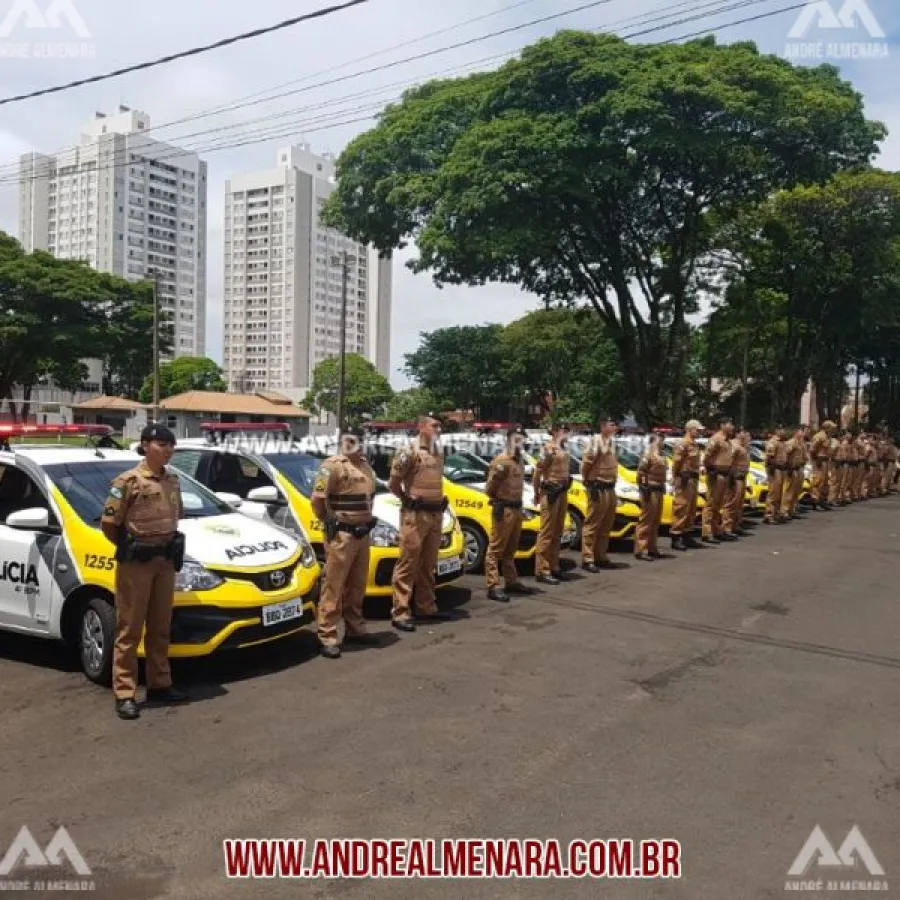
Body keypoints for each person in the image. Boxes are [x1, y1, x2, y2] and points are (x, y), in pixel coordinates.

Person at [100, 424, 187, 721]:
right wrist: (132, 548)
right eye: (162, 443)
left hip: (165, 561)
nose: (168, 449)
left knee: (161, 627)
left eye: (171, 444)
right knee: (129, 630)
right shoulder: (128, 481)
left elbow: (178, 516)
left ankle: (160, 684)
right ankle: (125, 692)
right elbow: (110, 524)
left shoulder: (173, 480)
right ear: (146, 445)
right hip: (136, 563)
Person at [311, 426, 380, 659]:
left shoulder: (365, 465)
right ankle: (327, 634)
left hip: (362, 535)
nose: (357, 443)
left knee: (357, 584)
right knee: (334, 584)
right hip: (342, 535)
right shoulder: (330, 466)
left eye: (360, 439)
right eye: (352, 440)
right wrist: (330, 524)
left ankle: (355, 628)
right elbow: (318, 501)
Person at [388, 413, 454, 632]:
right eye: (435, 425)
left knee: (428, 563)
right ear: (422, 427)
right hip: (415, 516)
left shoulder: (438, 451)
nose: (439, 429)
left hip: (435, 514)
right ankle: (401, 611)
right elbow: (394, 484)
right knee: (408, 562)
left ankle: (426, 606)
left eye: (440, 426)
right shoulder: (409, 451)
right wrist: (407, 500)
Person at [484, 425, 536, 602]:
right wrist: (501, 500)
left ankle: (511, 581)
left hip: (516, 508)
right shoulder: (502, 461)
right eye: (517, 439)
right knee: (496, 548)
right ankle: (493, 585)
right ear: (509, 440)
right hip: (504, 509)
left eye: (522, 439)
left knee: (511, 548)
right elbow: (490, 489)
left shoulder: (520, 460)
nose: (520, 442)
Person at [580, 418, 627, 571]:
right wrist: (588, 482)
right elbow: (586, 464)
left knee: (606, 524)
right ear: (603, 427)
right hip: (598, 486)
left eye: (615, 424)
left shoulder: (612, 443)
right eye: (612, 424)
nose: (615, 426)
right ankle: (588, 558)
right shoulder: (596, 441)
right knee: (592, 524)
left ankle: (601, 555)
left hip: (610, 487)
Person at [532, 422, 572, 585]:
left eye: (568, 431)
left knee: (558, 532)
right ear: (555, 432)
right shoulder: (548, 449)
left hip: (562, 492)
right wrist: (536, 493)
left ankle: (554, 566)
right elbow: (537, 473)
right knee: (547, 532)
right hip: (551, 493)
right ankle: (542, 569)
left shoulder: (563, 449)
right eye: (564, 431)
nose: (567, 434)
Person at [670, 420, 704, 551]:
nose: (699, 432)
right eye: (697, 430)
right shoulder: (682, 444)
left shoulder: (694, 444)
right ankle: (676, 535)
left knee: (691, 508)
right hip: (684, 478)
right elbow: (676, 462)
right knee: (681, 507)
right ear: (690, 429)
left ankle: (687, 534)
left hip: (693, 479)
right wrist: (676, 476)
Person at [634, 433, 669, 561]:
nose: (662, 442)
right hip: (650, 490)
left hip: (659, 489)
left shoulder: (662, 455)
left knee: (656, 520)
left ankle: (652, 548)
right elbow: (641, 471)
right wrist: (643, 486)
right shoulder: (648, 454)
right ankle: (641, 549)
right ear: (654, 441)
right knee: (647, 519)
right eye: (660, 439)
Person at [701, 418, 736, 544]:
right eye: (730, 424)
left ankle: (717, 530)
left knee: (719, 505)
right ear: (722, 425)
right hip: (716, 475)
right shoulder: (716, 439)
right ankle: (707, 532)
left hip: (725, 475)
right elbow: (707, 456)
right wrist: (710, 469)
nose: (732, 427)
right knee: (711, 503)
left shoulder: (728, 441)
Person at [722, 427, 751, 538]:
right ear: (738, 434)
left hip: (742, 477)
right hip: (735, 477)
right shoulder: (734, 445)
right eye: (744, 432)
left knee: (739, 504)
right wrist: (731, 475)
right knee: (731, 503)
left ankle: (735, 525)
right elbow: (729, 460)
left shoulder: (743, 446)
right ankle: (727, 527)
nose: (747, 435)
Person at [764, 425, 789, 524]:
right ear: (777, 431)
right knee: (773, 492)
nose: (784, 431)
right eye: (782, 429)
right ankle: (769, 514)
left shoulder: (782, 442)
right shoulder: (772, 442)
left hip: (782, 469)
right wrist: (771, 469)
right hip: (775, 469)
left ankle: (776, 513)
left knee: (779, 493)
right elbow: (770, 457)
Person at [780, 426, 806, 521]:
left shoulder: (802, 444)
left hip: (799, 468)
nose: (803, 434)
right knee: (789, 491)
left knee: (796, 491)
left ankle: (792, 509)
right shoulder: (790, 442)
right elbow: (786, 454)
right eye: (801, 432)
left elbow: (804, 456)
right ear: (796, 433)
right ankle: (785, 510)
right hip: (791, 469)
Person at [809, 421, 835, 510]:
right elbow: (812, 449)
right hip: (819, 461)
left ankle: (822, 500)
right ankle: (815, 500)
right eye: (831, 428)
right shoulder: (819, 436)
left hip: (826, 461)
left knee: (825, 482)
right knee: (818, 481)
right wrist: (816, 459)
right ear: (826, 428)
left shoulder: (828, 437)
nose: (833, 430)